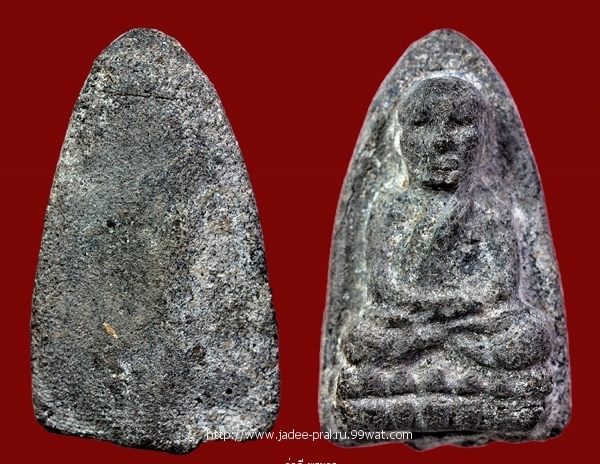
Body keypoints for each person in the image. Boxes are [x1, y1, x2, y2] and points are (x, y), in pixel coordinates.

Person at [335, 77, 553, 431]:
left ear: (482, 139)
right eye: (422, 124)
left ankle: (422, 389)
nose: (441, 140)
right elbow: (385, 289)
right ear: (403, 139)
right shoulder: (390, 209)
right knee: (363, 338)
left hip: (470, 326)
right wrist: (437, 314)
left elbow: (499, 288)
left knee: (528, 335)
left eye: (460, 124)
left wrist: (445, 317)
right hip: (413, 324)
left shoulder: (489, 209)